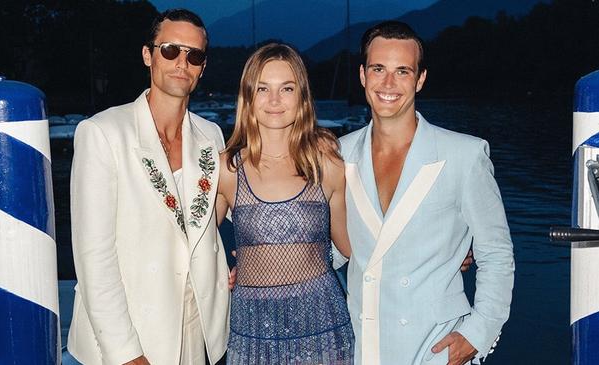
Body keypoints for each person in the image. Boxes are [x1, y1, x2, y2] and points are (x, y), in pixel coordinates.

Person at [338, 21, 515, 365]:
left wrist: (477, 334)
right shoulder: (339, 155)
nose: (388, 83)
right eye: (378, 69)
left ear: (419, 79)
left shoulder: (464, 155)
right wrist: (269, 263)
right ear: (363, 75)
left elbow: (496, 254)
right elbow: (334, 248)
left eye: (402, 71)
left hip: (436, 348)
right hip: (362, 343)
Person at [67, 9, 230, 365]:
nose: (182, 62)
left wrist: (243, 267)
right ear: (148, 55)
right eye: (171, 50)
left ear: (203, 67)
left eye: (195, 55)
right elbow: (94, 258)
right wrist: (127, 354)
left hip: (193, 334)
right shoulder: (103, 133)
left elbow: (214, 221)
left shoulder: (211, 136)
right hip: (128, 337)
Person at [216, 43, 355, 364]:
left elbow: (354, 247)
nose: (275, 100)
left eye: (287, 88)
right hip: (252, 329)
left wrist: (443, 249)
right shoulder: (227, 168)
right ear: (248, 97)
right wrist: (221, 268)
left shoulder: (327, 164)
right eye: (263, 88)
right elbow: (193, 243)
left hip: (323, 326)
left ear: (302, 97)